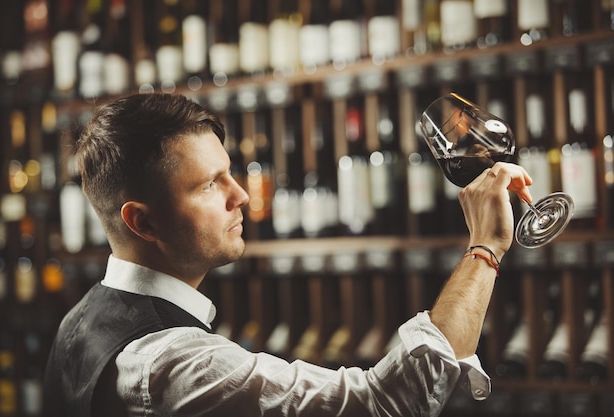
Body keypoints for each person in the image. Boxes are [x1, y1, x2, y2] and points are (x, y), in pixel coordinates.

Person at [43, 93, 533, 417]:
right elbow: (388, 403)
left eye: (230, 172)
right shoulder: (172, 366)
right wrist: (485, 247)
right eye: (210, 184)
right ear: (142, 221)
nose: (242, 196)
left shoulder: (80, 321)